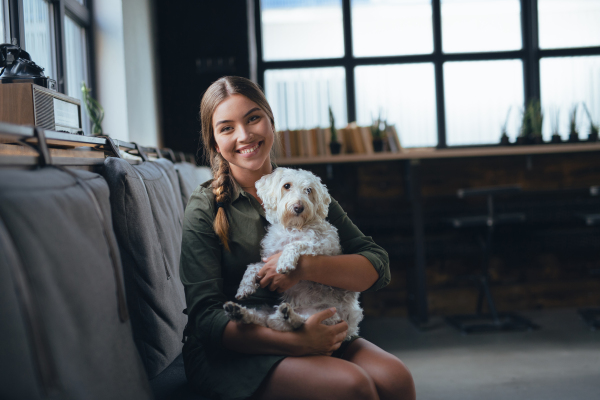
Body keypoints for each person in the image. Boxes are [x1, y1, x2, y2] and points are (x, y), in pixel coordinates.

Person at [180, 76, 416, 400]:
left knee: (397, 379)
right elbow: (205, 318)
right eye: (227, 127)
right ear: (214, 142)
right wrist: (296, 342)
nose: (245, 135)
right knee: (353, 386)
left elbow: (377, 265)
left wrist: (304, 267)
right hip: (238, 347)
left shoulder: (305, 190)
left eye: (253, 118)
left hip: (316, 323)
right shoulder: (205, 206)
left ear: (270, 121)